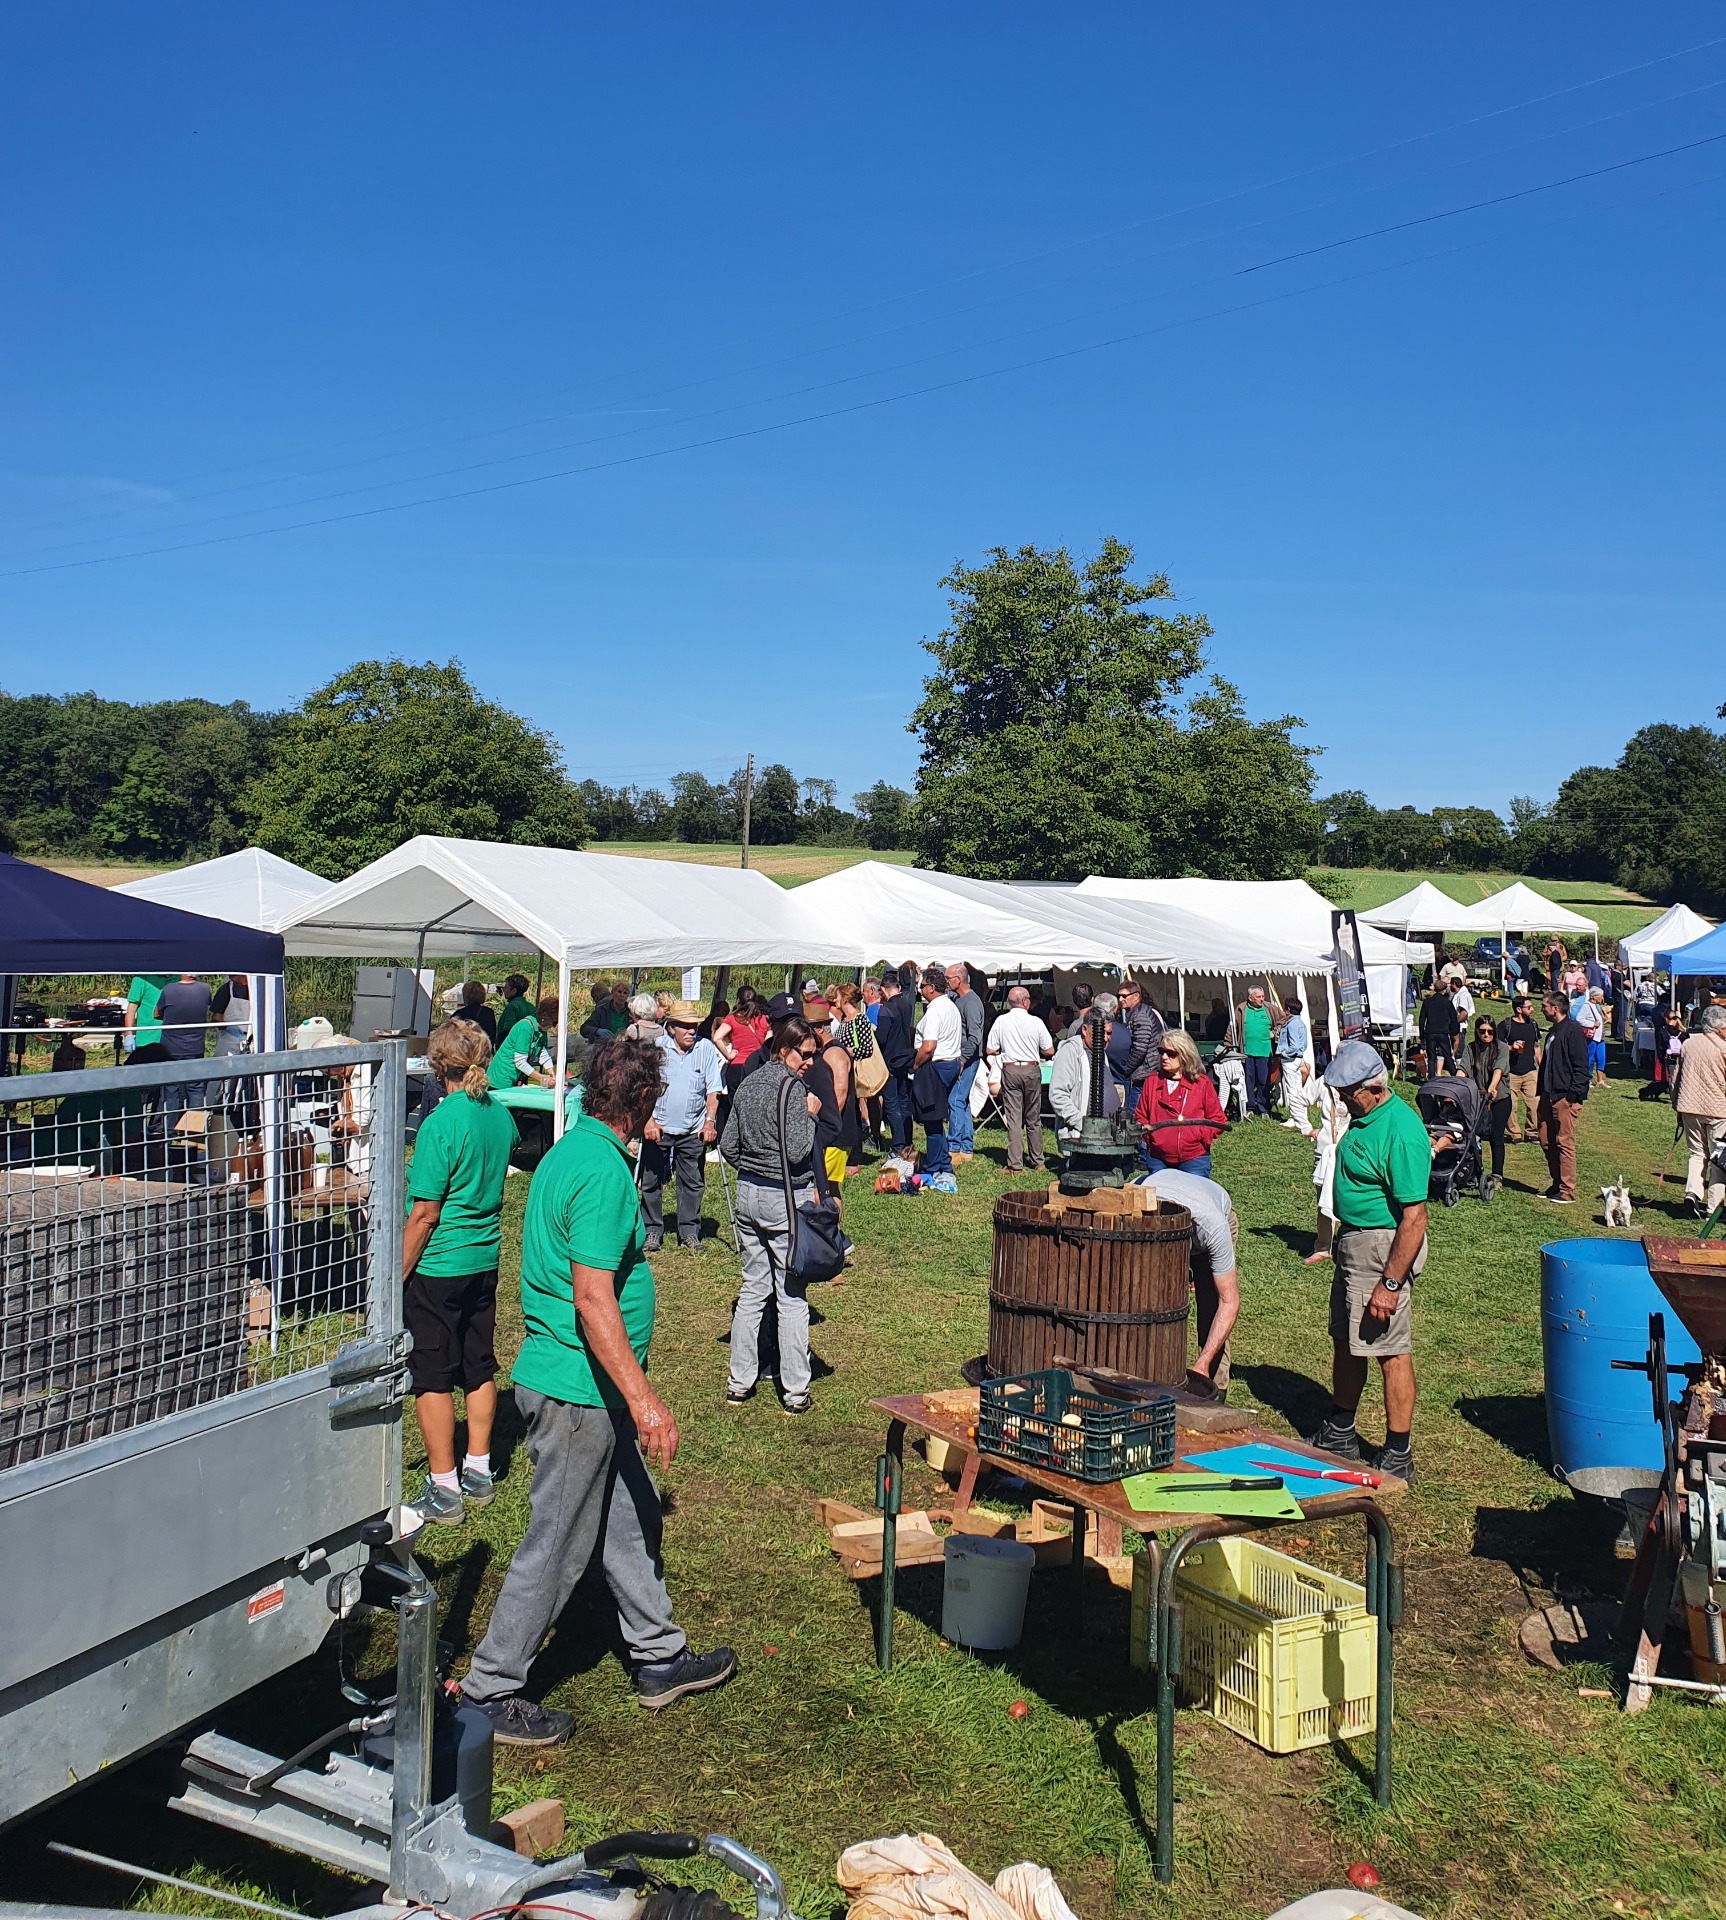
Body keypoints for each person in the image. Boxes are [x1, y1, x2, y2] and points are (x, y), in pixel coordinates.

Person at [460, 1038, 736, 1745]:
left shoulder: (570, 1152)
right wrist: (645, 1400)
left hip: (581, 1386)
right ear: (641, 1100)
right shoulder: (603, 1174)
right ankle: (490, 1689)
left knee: (626, 1515)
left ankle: (658, 1654)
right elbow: (592, 1298)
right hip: (578, 1389)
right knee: (557, 1541)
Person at [402, 1020, 517, 1525]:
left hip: (439, 1263)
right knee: (477, 1363)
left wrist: (393, 1274)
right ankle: (479, 1468)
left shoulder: (440, 1124)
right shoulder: (499, 1115)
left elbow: (425, 1211)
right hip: (483, 1259)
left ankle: (444, 1486)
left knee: (431, 1372)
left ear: (436, 1066)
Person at [1306, 1039, 1428, 1484]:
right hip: (1353, 1245)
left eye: (1346, 1090)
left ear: (1374, 1088)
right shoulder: (1365, 1117)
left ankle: (1398, 1451)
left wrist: (1390, 1285)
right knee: (1348, 1339)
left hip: (1382, 1249)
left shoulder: (1401, 1130)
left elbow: (1414, 1219)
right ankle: (1342, 1428)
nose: (1338, 1097)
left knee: (1389, 1351)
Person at [722, 1017, 822, 1412]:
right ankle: (795, 1391)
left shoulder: (748, 1083)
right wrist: (810, 1113)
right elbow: (798, 1150)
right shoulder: (794, 1091)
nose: (810, 1062)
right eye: (805, 1054)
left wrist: (753, 1168)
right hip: (784, 1198)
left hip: (748, 1194)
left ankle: (739, 1382)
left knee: (751, 1291)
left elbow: (729, 1145)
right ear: (784, 1050)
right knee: (792, 1296)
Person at [1131, 1164, 1240, 1399]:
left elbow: (1229, 1302)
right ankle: (1153, 1377)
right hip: (1163, 1223)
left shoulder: (1212, 1228)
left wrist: (1203, 1362)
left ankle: (1215, 1388)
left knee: (1211, 1304)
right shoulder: (1133, 1203)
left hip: (1210, 1217)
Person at [640, 1001, 723, 1252]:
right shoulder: (656, 1049)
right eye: (685, 1027)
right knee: (651, 1180)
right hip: (660, 1126)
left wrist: (709, 1122)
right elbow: (644, 1088)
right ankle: (652, 1230)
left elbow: (713, 1090)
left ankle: (689, 1231)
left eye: (694, 1026)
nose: (691, 1031)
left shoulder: (705, 1048)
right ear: (671, 1027)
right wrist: (648, 1120)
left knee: (692, 1182)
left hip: (693, 1127)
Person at [1134, 1030, 1227, 1178]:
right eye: (1161, 1051)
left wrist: (1198, 1136)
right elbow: (1140, 1115)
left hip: (1194, 1159)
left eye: (1171, 1053)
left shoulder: (1201, 1084)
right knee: (1159, 1200)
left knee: (1194, 1198)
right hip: (1158, 1158)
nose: (1164, 1057)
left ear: (1184, 1055)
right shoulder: (1152, 1081)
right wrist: (1152, 1137)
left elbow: (1217, 1119)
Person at [987, 984, 1055, 1173]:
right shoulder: (1036, 1022)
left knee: (1013, 1117)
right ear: (1025, 1002)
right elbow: (1049, 1050)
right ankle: (1038, 1160)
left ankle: (1015, 1164)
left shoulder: (1001, 1021)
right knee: (1033, 1117)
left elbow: (990, 1049)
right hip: (1031, 1069)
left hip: (1010, 1070)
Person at [1536, 989, 1591, 1205]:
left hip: (1564, 1097)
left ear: (1555, 1008)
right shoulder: (1553, 1032)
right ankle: (1556, 1182)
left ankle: (1566, 1190)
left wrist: (1572, 1096)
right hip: (1548, 1094)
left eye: (1544, 1006)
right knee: (1546, 1139)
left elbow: (1581, 1066)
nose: (1542, 1009)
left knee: (1564, 1141)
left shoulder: (1572, 1031)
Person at [802, 997, 859, 1200]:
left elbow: (840, 1092)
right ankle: (830, 1230)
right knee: (827, 1187)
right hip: (834, 1131)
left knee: (822, 1187)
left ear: (818, 1029)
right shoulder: (825, 1051)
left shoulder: (833, 1052)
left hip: (836, 1134)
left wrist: (827, 1127)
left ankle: (827, 1230)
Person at [912, 966, 963, 1180]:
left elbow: (929, 1045)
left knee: (931, 1118)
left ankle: (932, 1167)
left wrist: (915, 1065)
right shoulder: (951, 1006)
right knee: (938, 1116)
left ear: (931, 988)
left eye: (922, 986)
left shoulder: (935, 1009)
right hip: (950, 1063)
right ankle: (943, 1162)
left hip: (936, 1065)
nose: (919, 989)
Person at [1674, 1006, 1726, 1220]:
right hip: (1718, 1110)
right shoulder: (1723, 1048)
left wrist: (1676, 1105)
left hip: (1689, 1107)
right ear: (1719, 1027)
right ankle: (1714, 1207)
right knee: (1719, 1158)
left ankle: (1692, 1194)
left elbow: (1675, 1078)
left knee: (1697, 1154)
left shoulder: (1688, 1043)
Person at [1049, 1011, 1124, 1153]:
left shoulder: (1100, 1052)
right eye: (1100, 1033)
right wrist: (1082, 1123)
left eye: (1109, 1033)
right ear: (1084, 1030)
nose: (1106, 1038)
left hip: (1105, 1136)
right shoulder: (1070, 1052)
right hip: (1082, 1137)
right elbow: (1057, 1095)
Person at [155, 972, 213, 1129]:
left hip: (170, 1049)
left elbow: (156, 1013)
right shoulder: (205, 989)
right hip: (195, 1047)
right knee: (196, 1089)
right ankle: (194, 1131)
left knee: (171, 1090)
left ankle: (169, 1130)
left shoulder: (168, 990)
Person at [944, 963, 986, 1165]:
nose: (945, 982)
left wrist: (962, 1061)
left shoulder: (971, 1003)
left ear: (958, 980)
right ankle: (966, 1147)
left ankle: (954, 1148)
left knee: (955, 1101)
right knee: (963, 1102)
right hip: (962, 1058)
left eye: (948, 978)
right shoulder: (958, 999)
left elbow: (975, 1037)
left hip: (967, 1060)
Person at [1464, 1014, 1511, 1183]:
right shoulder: (1471, 1048)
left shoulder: (1502, 1048)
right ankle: (1476, 1172)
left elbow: (1499, 1068)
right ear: (1476, 1031)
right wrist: (1457, 1083)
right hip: (1478, 1098)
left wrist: (1492, 1086)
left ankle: (1497, 1175)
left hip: (1499, 1098)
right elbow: (1463, 1068)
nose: (1486, 1035)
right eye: (1482, 1031)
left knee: (1496, 1137)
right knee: (1473, 1136)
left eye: (1490, 1032)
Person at [874, 966, 916, 1152]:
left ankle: (898, 1144)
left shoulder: (887, 1010)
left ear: (883, 990)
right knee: (904, 1100)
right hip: (904, 1057)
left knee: (892, 1104)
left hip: (889, 1060)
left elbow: (882, 1037)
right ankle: (907, 1139)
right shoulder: (907, 1004)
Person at [489, 994, 558, 1090]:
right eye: (554, 1022)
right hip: (500, 1079)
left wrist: (552, 1075)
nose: (554, 1026)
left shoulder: (541, 1031)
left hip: (514, 1077)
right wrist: (543, 1079)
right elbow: (520, 1062)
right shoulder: (525, 1027)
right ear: (545, 1016)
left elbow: (543, 1054)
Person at [1115, 979, 1165, 1107]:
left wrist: (1126, 1069)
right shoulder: (1137, 1012)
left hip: (1145, 1073)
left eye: (1124, 996)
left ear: (1136, 996)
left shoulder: (1140, 1015)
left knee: (1136, 1113)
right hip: (1144, 1071)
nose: (1120, 999)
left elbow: (1140, 1048)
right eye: (1118, 996)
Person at [1502, 993, 1543, 1143]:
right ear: (1519, 1009)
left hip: (1530, 1071)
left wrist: (1542, 1067)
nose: (1532, 1009)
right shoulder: (1506, 1025)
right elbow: (1497, 1048)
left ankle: (1532, 1132)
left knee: (1534, 1103)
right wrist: (1511, 1047)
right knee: (1510, 1106)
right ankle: (1515, 1134)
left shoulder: (1532, 1025)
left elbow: (1536, 1047)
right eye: (1529, 1007)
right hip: (1511, 1072)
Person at [1274, 996, 1314, 1135]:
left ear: (1289, 1009)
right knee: (1297, 1089)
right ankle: (1300, 1116)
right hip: (1297, 1059)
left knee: (1292, 1089)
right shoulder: (1300, 1023)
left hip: (1290, 1059)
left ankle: (1294, 1117)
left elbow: (1295, 1045)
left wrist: (1284, 1052)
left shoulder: (1292, 1024)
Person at [1236, 985, 1273, 1117]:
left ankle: (1263, 1108)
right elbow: (1233, 1028)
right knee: (1248, 1080)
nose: (1262, 999)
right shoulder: (1242, 1009)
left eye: (1263, 996)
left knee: (1263, 1080)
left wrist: (1274, 1032)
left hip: (1264, 1052)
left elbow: (1283, 1020)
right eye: (1258, 997)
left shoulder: (1269, 1008)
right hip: (1247, 1051)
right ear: (1250, 998)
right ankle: (1249, 1107)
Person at [1417, 978, 1460, 1078]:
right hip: (1443, 1033)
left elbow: (1421, 1019)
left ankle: (1431, 1078)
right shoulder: (1447, 1003)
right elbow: (1453, 1018)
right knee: (1448, 1056)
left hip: (1430, 1032)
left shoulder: (1427, 1002)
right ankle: (1455, 1075)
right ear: (1444, 990)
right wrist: (1454, 1031)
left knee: (1431, 1057)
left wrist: (1422, 1034)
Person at [123, 971, 172, 1054]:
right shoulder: (141, 978)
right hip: (146, 1039)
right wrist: (128, 1034)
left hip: (170, 1039)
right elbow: (132, 1008)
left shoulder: (176, 978)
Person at [211, 975, 252, 1057]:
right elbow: (216, 1017)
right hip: (228, 1039)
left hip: (250, 1039)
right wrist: (229, 1027)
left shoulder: (255, 990)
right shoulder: (225, 990)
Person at [450, 979, 498, 1046]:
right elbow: (492, 1037)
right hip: (484, 1051)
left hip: (464, 1052)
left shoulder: (459, 1014)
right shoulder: (488, 1012)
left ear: (465, 995)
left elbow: (451, 1038)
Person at [1580, 987, 1608, 1087]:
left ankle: (1600, 1080)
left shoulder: (1597, 1006)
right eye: (1601, 996)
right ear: (1594, 997)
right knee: (1590, 1058)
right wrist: (1592, 1023)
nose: (1602, 998)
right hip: (1592, 1037)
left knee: (1601, 1058)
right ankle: (1587, 1079)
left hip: (1600, 1037)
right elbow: (1579, 1019)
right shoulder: (1586, 1006)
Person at [496, 974, 535, 1045]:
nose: (504, 990)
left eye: (506, 988)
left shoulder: (512, 1007)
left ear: (514, 990)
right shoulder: (531, 1007)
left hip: (510, 1049)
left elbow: (508, 1030)